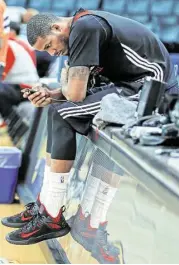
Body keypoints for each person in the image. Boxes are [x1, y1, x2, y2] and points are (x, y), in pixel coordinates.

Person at [2, 8, 179, 245]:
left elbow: (74, 93)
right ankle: (66, 211)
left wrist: (56, 95)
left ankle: (52, 213)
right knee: (58, 109)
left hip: (150, 89)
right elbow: (76, 90)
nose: (53, 53)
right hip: (129, 85)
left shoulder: (85, 28)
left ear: (56, 28)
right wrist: (50, 93)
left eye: (49, 46)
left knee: (61, 112)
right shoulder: (81, 27)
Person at [0, 21, 39, 144]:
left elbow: (2, 73)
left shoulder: (9, 46)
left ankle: (15, 125)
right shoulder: (15, 43)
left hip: (28, 88)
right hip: (23, 87)